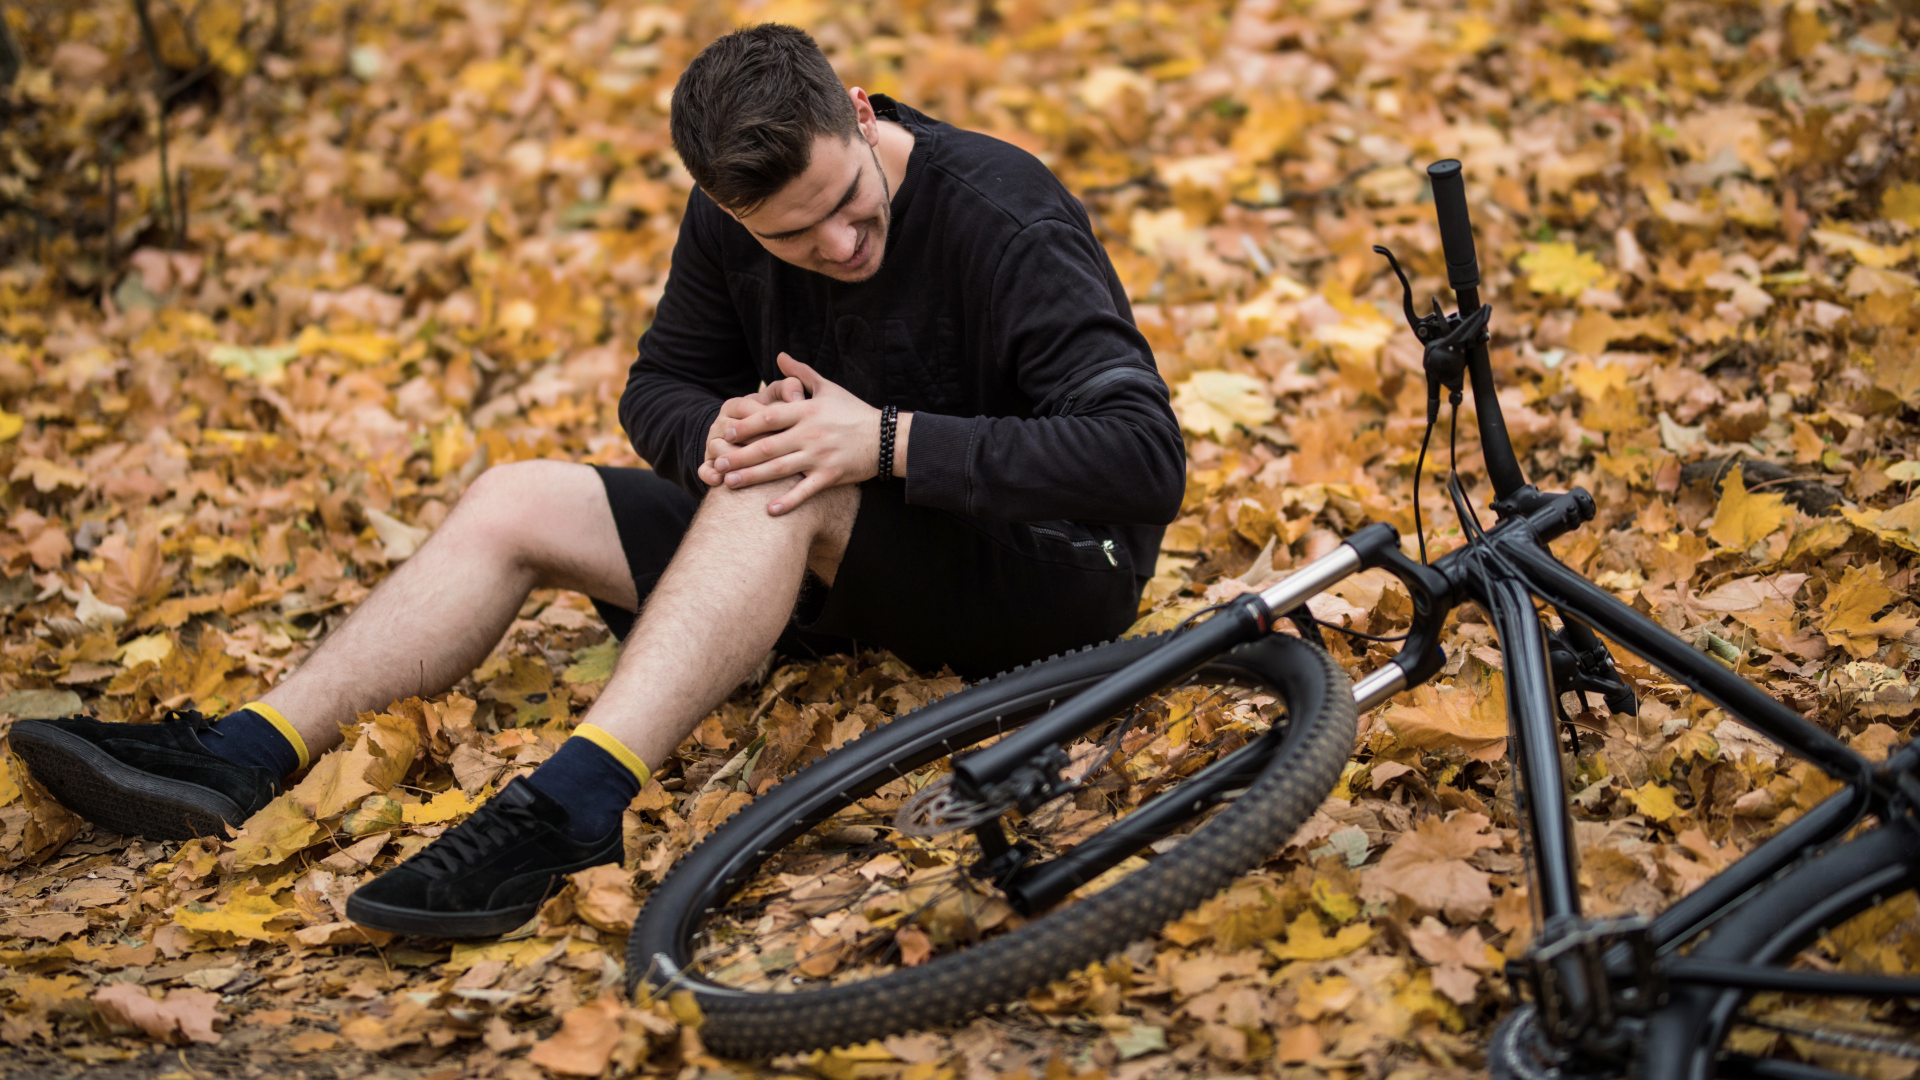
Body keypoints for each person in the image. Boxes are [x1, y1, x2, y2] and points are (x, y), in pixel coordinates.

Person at [8, 24, 1184, 938]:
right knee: (516, 495)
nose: (833, 246)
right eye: (790, 235)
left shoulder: (1003, 213)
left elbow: (1143, 458)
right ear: (727, 207)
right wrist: (711, 430)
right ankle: (247, 752)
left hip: (1048, 576)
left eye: (844, 205)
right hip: (836, 562)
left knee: (789, 474)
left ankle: (574, 806)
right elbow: (659, 386)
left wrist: (886, 441)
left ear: (863, 115)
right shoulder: (731, 220)